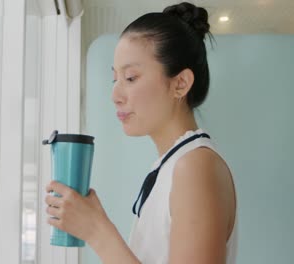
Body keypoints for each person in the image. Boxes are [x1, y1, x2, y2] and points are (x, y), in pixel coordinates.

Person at [44, 2, 238, 263]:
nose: (115, 95)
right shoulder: (172, 164)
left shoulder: (194, 166)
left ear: (180, 83)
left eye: (131, 78)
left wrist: (96, 231)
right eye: (115, 79)